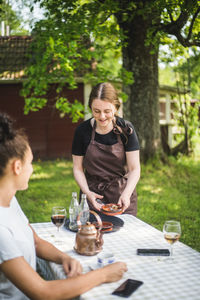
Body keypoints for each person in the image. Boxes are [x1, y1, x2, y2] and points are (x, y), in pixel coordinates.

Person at [0, 112, 127, 300]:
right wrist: (104, 274)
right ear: (17, 167)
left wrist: (64, 258)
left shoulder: (9, 201)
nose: (32, 169)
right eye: (31, 163)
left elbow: (35, 242)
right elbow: (43, 292)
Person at [72, 82, 140, 215]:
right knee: (91, 234)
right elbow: (78, 168)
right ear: (90, 108)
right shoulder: (82, 131)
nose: (102, 117)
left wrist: (126, 195)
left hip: (122, 196)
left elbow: (134, 169)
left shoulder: (127, 130)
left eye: (107, 111)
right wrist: (87, 193)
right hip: (92, 195)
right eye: (96, 111)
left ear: (115, 108)